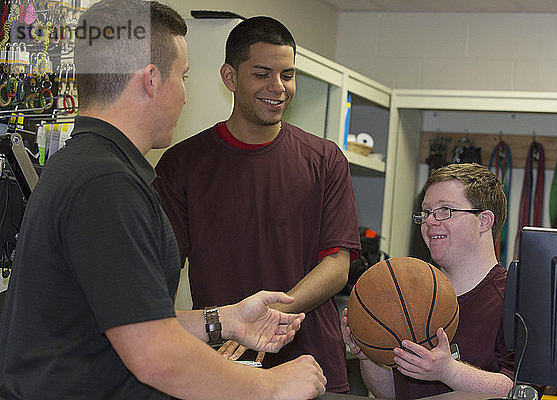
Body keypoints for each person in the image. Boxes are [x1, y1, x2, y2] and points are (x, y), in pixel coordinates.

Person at [0, 1, 327, 399]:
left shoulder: (83, 165)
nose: (185, 96)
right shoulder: (107, 184)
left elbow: (127, 320)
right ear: (151, 80)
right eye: (183, 77)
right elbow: (157, 355)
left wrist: (226, 320)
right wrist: (271, 385)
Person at [154, 16, 361, 393]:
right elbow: (159, 272)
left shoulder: (325, 159)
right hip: (224, 364)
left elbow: (336, 266)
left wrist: (269, 317)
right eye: (262, 74)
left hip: (312, 363)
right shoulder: (183, 165)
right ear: (229, 77)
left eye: (287, 75)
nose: (278, 87)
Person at [342, 162, 515, 399]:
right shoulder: (405, 291)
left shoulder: (514, 301)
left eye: (445, 210)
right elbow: (390, 394)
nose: (430, 221)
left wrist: (448, 371)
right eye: (427, 212)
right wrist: (368, 353)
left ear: (484, 221)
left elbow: (521, 391)